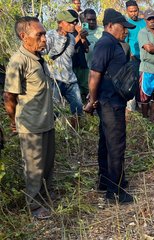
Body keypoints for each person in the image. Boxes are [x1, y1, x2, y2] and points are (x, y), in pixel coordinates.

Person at [4, 16, 55, 219]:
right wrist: (13, 121)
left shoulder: (38, 58)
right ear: (24, 37)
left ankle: (46, 196)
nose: (44, 39)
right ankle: (34, 206)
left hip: (46, 122)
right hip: (31, 125)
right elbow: (9, 96)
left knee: (48, 164)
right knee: (34, 169)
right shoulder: (18, 61)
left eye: (44, 34)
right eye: (39, 34)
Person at [83, 8, 136, 204]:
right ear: (111, 26)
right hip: (109, 103)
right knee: (116, 145)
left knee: (106, 142)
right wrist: (92, 101)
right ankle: (116, 191)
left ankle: (106, 181)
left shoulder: (113, 43)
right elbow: (94, 75)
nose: (126, 31)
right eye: (123, 27)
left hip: (110, 101)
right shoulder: (106, 44)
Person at [45, 10, 84, 118]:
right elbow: (45, 57)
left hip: (71, 80)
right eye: (69, 23)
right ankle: (54, 133)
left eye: (74, 22)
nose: (73, 25)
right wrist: (62, 39)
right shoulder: (49, 36)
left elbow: (69, 57)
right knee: (54, 112)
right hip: (55, 80)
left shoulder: (71, 38)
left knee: (78, 109)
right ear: (60, 23)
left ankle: (77, 132)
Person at [124, 0, 145, 113]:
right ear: (127, 12)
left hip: (146, 58)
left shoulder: (144, 23)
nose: (134, 13)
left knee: (143, 82)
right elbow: (125, 42)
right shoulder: (126, 24)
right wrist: (130, 55)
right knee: (132, 82)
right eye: (131, 11)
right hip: (133, 58)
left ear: (138, 10)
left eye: (135, 11)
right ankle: (131, 109)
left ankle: (142, 104)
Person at [70, 9, 90, 101]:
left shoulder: (79, 31)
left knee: (86, 88)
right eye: (72, 21)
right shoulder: (65, 34)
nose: (75, 23)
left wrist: (83, 37)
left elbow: (86, 49)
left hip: (82, 64)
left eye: (76, 21)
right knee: (74, 89)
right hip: (71, 65)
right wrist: (79, 35)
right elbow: (70, 46)